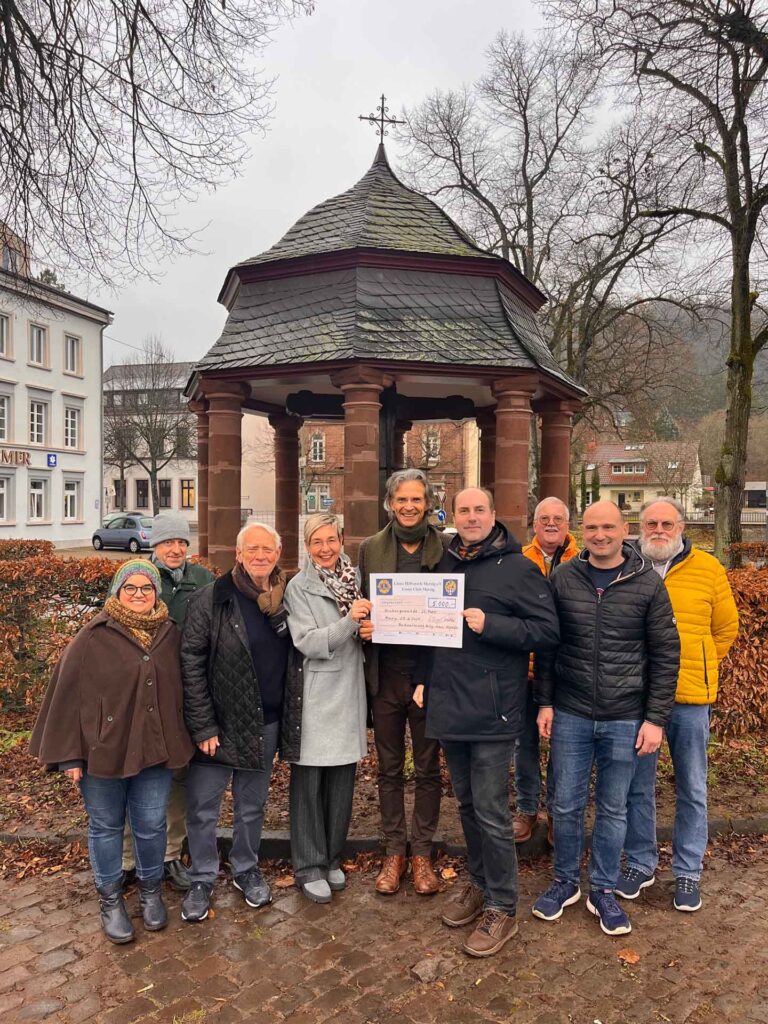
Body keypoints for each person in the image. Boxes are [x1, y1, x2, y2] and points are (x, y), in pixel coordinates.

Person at [419, 488, 560, 957]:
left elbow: (547, 632)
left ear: (494, 516)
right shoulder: (442, 564)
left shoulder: (519, 567)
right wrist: (423, 679)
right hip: (449, 705)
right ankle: (478, 884)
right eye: (464, 511)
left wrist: (493, 625)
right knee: (465, 805)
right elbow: (425, 630)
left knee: (493, 812)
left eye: (480, 509)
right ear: (453, 517)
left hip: (496, 709)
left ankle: (503, 905)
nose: (472, 517)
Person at [532, 500, 680, 936]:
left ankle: (602, 889)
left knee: (614, 808)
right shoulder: (563, 579)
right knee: (565, 804)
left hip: (626, 717)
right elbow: (547, 648)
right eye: (592, 527)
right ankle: (564, 882)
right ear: (583, 529)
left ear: (624, 530)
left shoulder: (647, 584)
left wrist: (655, 718)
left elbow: (666, 655)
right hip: (572, 713)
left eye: (608, 527)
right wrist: (545, 703)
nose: (599, 535)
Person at [29, 560, 194, 944]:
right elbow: (67, 698)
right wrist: (70, 756)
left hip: (154, 752)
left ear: (157, 592)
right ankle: (110, 899)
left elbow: (184, 689)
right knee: (105, 826)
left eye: (146, 588)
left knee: (152, 824)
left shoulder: (169, 633)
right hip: (100, 754)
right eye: (131, 588)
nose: (139, 595)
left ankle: (151, 892)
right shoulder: (92, 637)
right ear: (117, 593)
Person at [616, 498, 739, 912]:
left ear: (682, 526)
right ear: (639, 526)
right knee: (637, 785)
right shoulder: (626, 566)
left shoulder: (708, 569)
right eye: (651, 522)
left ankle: (688, 872)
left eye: (667, 523)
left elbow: (725, 628)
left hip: (689, 698)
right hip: (637, 696)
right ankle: (640, 861)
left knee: (692, 785)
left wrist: (700, 664)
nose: (659, 529)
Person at [179, 521, 302, 922]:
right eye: (253, 550)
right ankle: (201, 876)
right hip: (218, 724)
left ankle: (245, 869)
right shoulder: (212, 598)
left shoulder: (286, 598)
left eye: (268, 550)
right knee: (204, 808)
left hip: (264, 722)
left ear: (278, 555)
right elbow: (191, 663)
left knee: (252, 805)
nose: (261, 556)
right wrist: (203, 726)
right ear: (239, 554)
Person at [357, 468, 445, 896]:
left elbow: (451, 617)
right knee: (388, 769)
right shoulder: (370, 549)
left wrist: (429, 677)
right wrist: (364, 625)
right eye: (401, 499)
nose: (408, 506)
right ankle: (394, 849)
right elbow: (359, 604)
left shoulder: (446, 548)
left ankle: (423, 852)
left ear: (427, 502)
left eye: (416, 499)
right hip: (386, 676)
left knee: (428, 769)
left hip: (429, 678)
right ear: (389, 504)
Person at [121, 511, 214, 892]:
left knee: (177, 779)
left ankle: (170, 855)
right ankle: (129, 859)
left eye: (181, 542)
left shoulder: (204, 580)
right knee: (134, 777)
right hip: (141, 696)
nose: (175, 549)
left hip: (184, 696)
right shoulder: (139, 580)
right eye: (166, 542)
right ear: (153, 545)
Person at [284, 513, 371, 903]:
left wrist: (372, 628)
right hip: (317, 696)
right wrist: (352, 622)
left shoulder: (357, 580)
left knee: (341, 782)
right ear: (306, 546)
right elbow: (308, 641)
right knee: (309, 783)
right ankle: (308, 864)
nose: (324, 548)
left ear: (341, 540)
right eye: (316, 541)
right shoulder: (298, 588)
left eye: (330, 540)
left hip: (350, 691)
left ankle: (332, 857)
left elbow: (369, 630)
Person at [515, 497, 579, 844]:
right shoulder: (519, 561)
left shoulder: (583, 561)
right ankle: (527, 809)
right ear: (534, 523)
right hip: (524, 672)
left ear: (568, 525)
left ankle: (557, 812)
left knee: (563, 747)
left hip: (567, 673)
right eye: (544, 518)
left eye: (558, 518)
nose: (551, 523)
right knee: (523, 744)